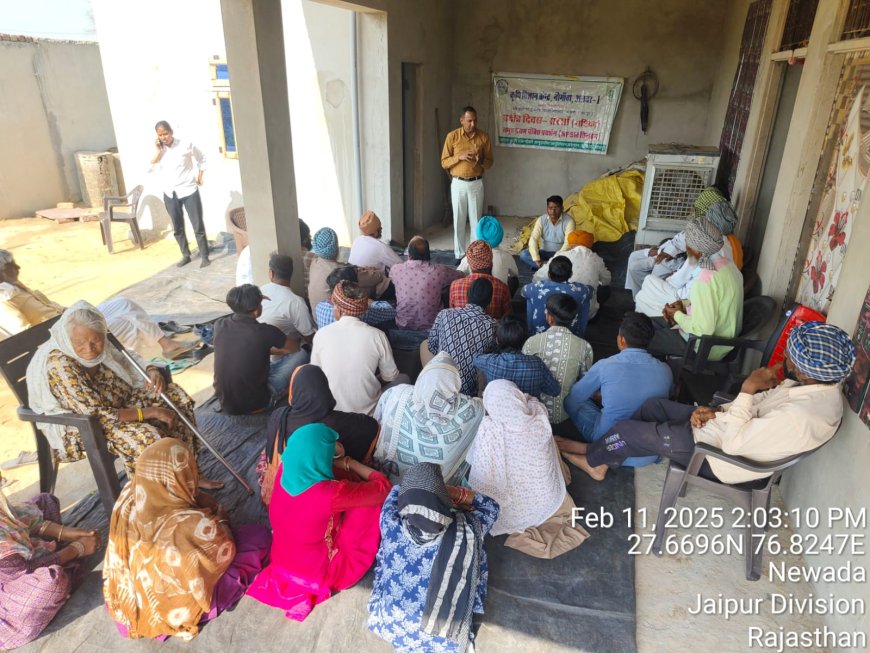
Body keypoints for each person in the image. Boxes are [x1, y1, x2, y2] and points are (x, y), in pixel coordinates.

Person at [562, 322, 856, 483]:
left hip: (715, 455)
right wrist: (715, 411)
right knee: (654, 406)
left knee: (626, 430)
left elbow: (735, 445)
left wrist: (747, 388)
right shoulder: (811, 387)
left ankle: (594, 461)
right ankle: (605, 452)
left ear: (805, 369)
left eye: (791, 356)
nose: (786, 359)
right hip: (723, 427)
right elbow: (753, 412)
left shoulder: (801, 417)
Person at [103, 439, 270, 640]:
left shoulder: (129, 494)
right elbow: (227, 548)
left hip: (129, 599)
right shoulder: (190, 524)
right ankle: (193, 608)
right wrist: (221, 518)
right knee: (258, 537)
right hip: (173, 608)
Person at [25, 301, 209, 481]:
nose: (90, 349)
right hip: (89, 425)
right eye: (80, 343)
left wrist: (150, 369)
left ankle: (190, 476)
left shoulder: (100, 338)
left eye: (96, 340)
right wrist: (153, 412)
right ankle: (165, 497)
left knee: (175, 397)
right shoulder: (60, 365)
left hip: (123, 401)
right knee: (146, 437)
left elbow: (125, 357)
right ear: (68, 339)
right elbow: (98, 415)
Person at [248, 423, 392, 621]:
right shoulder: (330, 493)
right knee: (370, 504)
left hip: (284, 562)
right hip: (319, 574)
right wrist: (349, 462)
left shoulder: (284, 468)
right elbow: (383, 488)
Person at [368, 463, 499, 653]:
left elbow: (395, 491)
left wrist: (425, 491)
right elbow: (491, 506)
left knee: (384, 560)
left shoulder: (389, 521)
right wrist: (451, 492)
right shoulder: (469, 529)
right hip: (445, 638)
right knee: (474, 549)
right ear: (444, 503)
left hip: (389, 624)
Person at [467, 381, 588, 559]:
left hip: (507, 512)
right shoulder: (538, 418)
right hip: (546, 500)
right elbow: (533, 402)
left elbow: (473, 460)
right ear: (518, 398)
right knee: (550, 446)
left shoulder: (487, 429)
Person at [0, 250, 197, 358]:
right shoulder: (4, 300)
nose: (17, 267)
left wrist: (73, 312)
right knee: (128, 325)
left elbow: (54, 307)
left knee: (123, 304)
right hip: (66, 339)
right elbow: (24, 336)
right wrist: (67, 328)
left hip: (71, 320)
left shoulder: (17, 287)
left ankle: (166, 344)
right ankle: (126, 366)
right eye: (11, 266)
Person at [562, 312, 672, 467]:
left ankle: (598, 454)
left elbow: (573, 400)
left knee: (574, 401)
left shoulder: (606, 365)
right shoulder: (665, 370)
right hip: (648, 453)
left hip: (609, 445)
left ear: (621, 340)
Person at [0, 482, 99, 649]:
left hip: (18, 558)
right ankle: (64, 564)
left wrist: (63, 531)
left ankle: (58, 557)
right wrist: (76, 549)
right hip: (9, 593)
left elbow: (17, 520)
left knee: (46, 501)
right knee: (50, 583)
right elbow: (24, 571)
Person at [373, 352, 484, 485]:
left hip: (390, 483)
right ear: (454, 383)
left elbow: (377, 423)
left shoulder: (398, 393)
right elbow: (484, 406)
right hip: (436, 489)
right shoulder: (471, 409)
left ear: (422, 377)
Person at [647, 218, 743, 361]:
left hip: (706, 347)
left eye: (688, 247)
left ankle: (665, 376)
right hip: (725, 340)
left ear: (697, 250)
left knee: (640, 339)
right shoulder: (729, 266)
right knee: (645, 324)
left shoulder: (704, 280)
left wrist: (677, 315)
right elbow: (714, 301)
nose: (687, 251)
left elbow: (702, 330)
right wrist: (684, 305)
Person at [262, 365, 380, 482]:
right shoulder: (335, 422)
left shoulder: (278, 415)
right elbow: (372, 427)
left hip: (280, 483)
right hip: (308, 489)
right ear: (325, 390)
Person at [626, 186, 739, 299]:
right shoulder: (714, 238)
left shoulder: (706, 245)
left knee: (646, 276)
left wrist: (667, 281)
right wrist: (664, 253)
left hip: (683, 297)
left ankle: (641, 302)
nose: (694, 209)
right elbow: (682, 244)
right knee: (640, 266)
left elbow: (684, 283)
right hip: (681, 279)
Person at [311, 281, 405, 415]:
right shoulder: (377, 336)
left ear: (337, 309)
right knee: (404, 378)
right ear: (362, 309)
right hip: (369, 417)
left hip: (331, 413)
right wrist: (371, 383)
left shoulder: (321, 334)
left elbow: (315, 375)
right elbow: (389, 376)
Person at [213, 285, 304, 415]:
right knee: (302, 353)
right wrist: (278, 350)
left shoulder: (219, 325)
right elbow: (294, 348)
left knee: (261, 363)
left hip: (225, 401)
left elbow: (241, 347)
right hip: (256, 403)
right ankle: (278, 395)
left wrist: (263, 349)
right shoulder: (265, 332)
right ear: (256, 311)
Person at [522, 294, 594, 425]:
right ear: (573, 319)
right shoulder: (585, 346)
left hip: (534, 413)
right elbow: (585, 382)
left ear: (549, 318)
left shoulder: (531, 342)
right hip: (566, 414)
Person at [151, 120, 210, 268]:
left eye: (165, 133)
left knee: (197, 225)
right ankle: (185, 255)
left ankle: (204, 256)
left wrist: (200, 175)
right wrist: (159, 151)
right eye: (160, 135)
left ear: (171, 132)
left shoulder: (186, 144)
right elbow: (151, 164)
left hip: (189, 190)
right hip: (170, 193)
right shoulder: (159, 149)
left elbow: (202, 158)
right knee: (177, 227)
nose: (164, 137)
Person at [427, 277, 497, 396]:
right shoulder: (492, 325)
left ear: (468, 295)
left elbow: (432, 346)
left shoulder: (445, 314)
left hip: (440, 382)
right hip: (468, 390)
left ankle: (431, 378)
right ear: (489, 301)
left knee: (425, 344)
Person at [441, 106, 494, 259]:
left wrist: (481, 161)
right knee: (458, 220)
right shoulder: (452, 137)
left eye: (475, 120)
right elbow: (444, 162)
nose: (473, 124)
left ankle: (475, 255)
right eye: (469, 120)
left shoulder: (483, 137)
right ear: (462, 120)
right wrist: (460, 156)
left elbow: (490, 162)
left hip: (476, 183)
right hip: (458, 183)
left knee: (476, 221)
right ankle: (459, 255)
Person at [389, 236, 464, 331]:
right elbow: (461, 275)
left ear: (409, 254)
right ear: (428, 254)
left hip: (403, 324)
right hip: (433, 326)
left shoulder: (396, 269)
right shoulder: (440, 271)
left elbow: (391, 278)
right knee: (450, 286)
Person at [474, 315, 560, 396]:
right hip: (527, 411)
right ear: (526, 340)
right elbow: (555, 391)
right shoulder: (537, 364)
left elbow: (476, 358)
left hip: (498, 411)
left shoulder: (491, 362)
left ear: (497, 340)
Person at [532, 230, 611, 318]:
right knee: (606, 290)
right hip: (585, 316)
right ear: (570, 273)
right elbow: (606, 281)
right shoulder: (597, 260)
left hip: (556, 313)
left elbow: (537, 278)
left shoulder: (560, 256)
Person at [521, 255, 594, 337]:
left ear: (548, 274)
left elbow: (523, 292)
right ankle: (579, 334)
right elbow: (591, 291)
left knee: (529, 298)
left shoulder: (536, 287)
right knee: (586, 300)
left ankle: (532, 332)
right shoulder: (580, 290)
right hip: (570, 331)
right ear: (571, 274)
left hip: (540, 333)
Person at [259, 253, 316, 347]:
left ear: (271, 273)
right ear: (291, 274)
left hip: (257, 349)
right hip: (280, 354)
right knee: (304, 351)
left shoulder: (260, 290)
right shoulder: (296, 302)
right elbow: (309, 338)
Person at [313, 266, 396, 330]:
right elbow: (391, 312)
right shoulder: (363, 312)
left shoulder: (320, 307)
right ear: (351, 287)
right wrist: (370, 302)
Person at [448, 240, 513, 319]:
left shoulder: (455, 285)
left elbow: (452, 313)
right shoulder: (502, 287)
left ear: (470, 265)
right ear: (491, 262)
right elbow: (507, 318)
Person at [457, 215, 519, 291]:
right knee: (514, 281)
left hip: (475, 296)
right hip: (499, 296)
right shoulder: (506, 256)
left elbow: (457, 274)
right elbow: (515, 274)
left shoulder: (470, 257)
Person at [519, 195, 576, 270]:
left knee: (573, 260)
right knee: (524, 254)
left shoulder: (569, 221)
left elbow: (568, 243)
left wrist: (556, 258)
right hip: (543, 253)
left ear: (562, 209)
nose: (553, 211)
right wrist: (536, 259)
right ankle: (550, 268)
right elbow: (533, 238)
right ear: (547, 209)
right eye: (550, 208)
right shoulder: (541, 219)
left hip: (560, 254)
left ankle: (544, 267)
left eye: (556, 208)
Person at [307, 227, 343, 309]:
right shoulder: (337, 270)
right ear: (336, 249)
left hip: (315, 318)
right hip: (332, 320)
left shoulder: (314, 263)